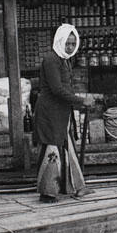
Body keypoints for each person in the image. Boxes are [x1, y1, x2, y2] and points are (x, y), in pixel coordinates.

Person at [33, 23, 93, 203]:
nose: (70, 47)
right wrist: (81, 100)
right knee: (52, 149)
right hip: (50, 112)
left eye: (73, 44)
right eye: (67, 43)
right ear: (59, 41)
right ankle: (48, 192)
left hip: (62, 112)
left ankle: (75, 186)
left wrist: (77, 100)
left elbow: (64, 88)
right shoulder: (51, 59)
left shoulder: (64, 60)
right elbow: (57, 89)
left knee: (67, 147)